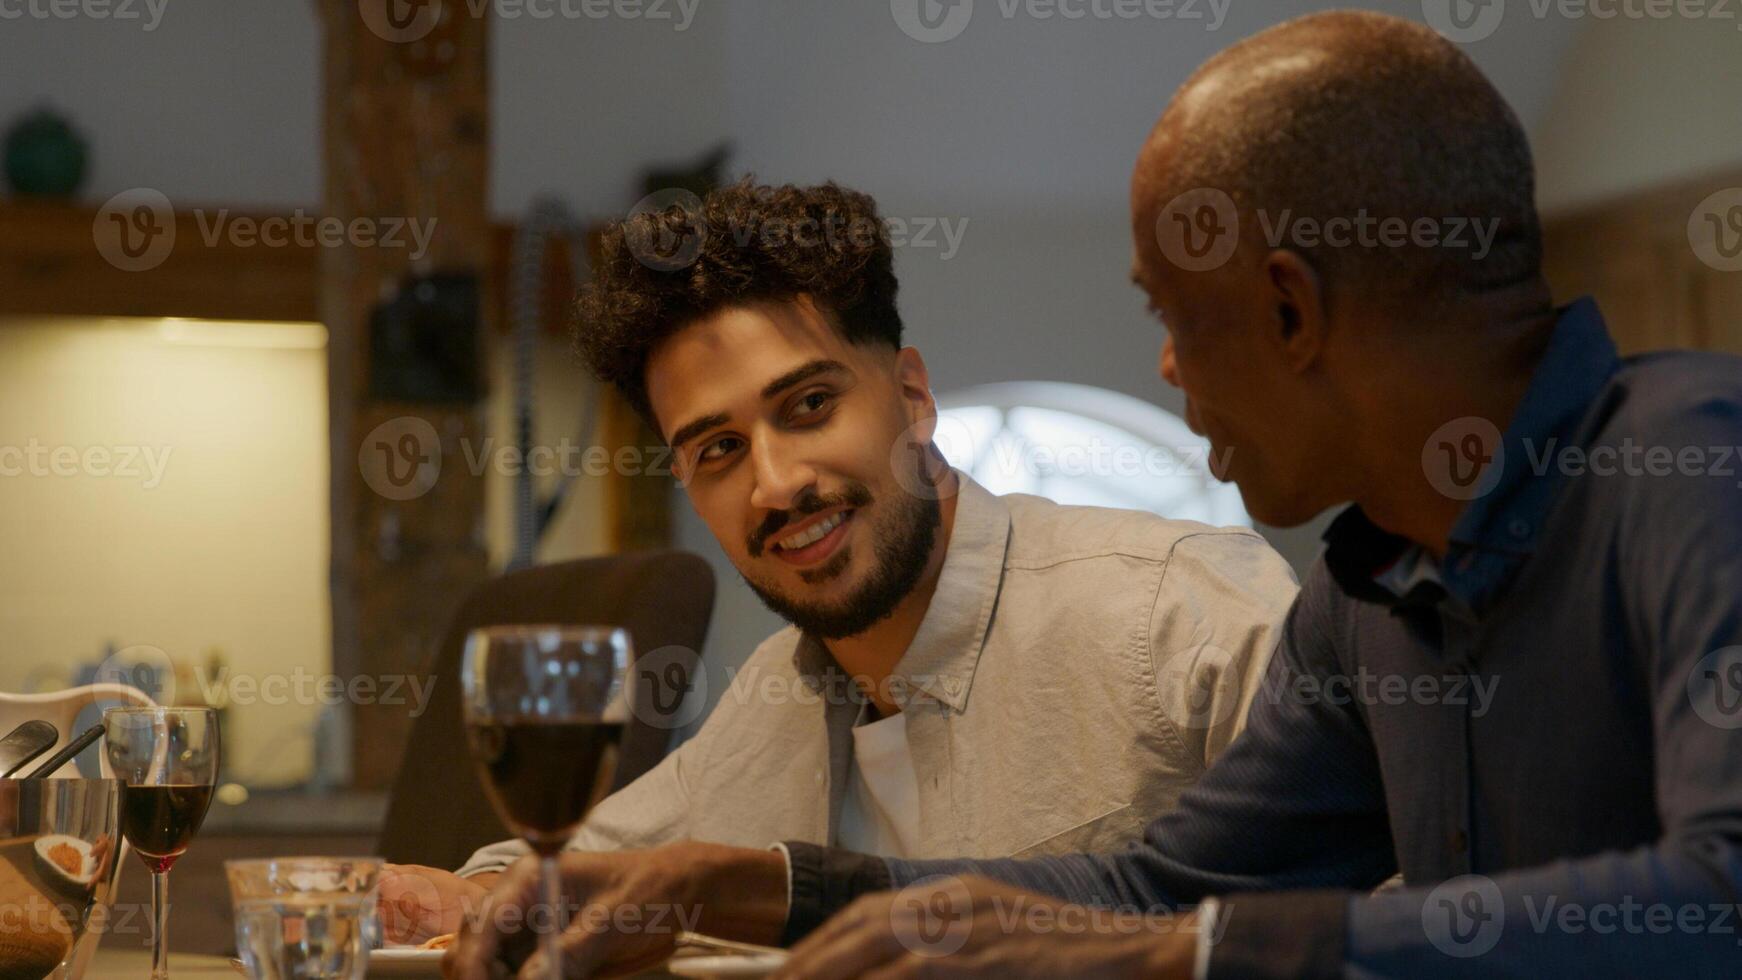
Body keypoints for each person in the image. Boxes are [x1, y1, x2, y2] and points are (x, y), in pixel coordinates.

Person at [444, 11, 1742, 979]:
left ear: (1289, 308)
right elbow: (1159, 881)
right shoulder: (1374, 589)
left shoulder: (1683, 468)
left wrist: (1178, 956)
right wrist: (757, 883)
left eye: (1173, 316)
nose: (1166, 365)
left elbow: (1719, 894)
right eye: (714, 448)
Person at [380, 179, 1297, 948]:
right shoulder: (776, 699)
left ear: (911, 395)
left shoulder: (1181, 614)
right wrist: (453, 899)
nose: (776, 484)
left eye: (810, 405)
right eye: (719, 450)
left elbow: (1370, 926)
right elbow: (563, 870)